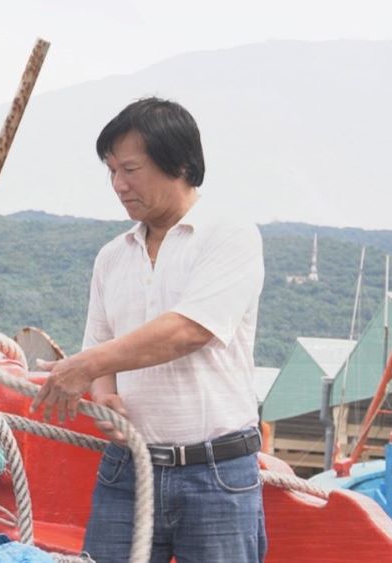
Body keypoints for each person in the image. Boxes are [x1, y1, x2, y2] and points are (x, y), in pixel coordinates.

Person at [30, 97, 266, 562]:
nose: (118, 185)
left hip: (217, 474)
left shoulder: (229, 234)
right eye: (112, 171)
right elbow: (98, 343)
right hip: (128, 469)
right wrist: (103, 392)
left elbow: (190, 330)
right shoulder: (111, 257)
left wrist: (89, 366)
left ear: (179, 163)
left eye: (130, 169)